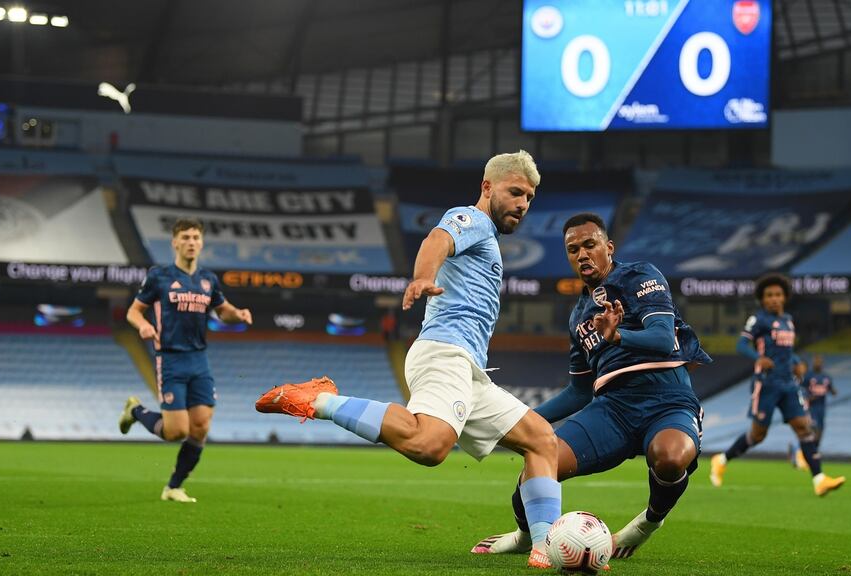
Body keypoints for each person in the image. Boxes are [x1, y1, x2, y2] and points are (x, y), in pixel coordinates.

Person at [254, 151, 561, 568]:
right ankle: (318, 400)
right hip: (444, 352)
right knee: (430, 445)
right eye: (515, 192)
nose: (523, 204)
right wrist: (422, 277)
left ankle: (546, 547)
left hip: (469, 369)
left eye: (529, 197)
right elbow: (437, 240)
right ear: (488, 187)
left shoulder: (488, 236)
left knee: (542, 441)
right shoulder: (473, 220)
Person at [471, 212, 711, 560]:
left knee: (670, 458)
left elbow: (661, 339)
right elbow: (580, 392)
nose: (582, 254)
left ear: (608, 247)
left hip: (667, 399)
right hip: (612, 409)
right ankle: (525, 535)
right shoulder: (578, 316)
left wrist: (618, 336)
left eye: (589, 245)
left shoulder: (639, 275)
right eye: (573, 249)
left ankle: (646, 523)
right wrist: (520, 420)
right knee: (541, 459)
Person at [118, 218, 253, 503]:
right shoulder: (159, 276)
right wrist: (142, 325)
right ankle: (136, 411)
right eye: (186, 237)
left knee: (201, 426)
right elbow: (133, 311)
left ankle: (173, 487)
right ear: (175, 242)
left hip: (199, 359)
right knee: (176, 431)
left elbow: (222, 310)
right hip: (170, 359)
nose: (191, 242)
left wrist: (237, 314)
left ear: (201, 243)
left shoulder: (208, 279)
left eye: (196, 237)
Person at [709, 274, 845, 497]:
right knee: (758, 435)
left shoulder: (788, 321)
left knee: (804, 427)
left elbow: (786, 353)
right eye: (769, 295)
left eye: (778, 294)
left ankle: (819, 480)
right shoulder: (759, 320)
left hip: (789, 385)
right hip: (767, 384)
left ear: (785, 297)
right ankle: (721, 459)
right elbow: (741, 344)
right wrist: (757, 358)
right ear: (762, 299)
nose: (774, 298)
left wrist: (797, 363)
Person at [790, 354, 837, 470]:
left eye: (820, 361)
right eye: (816, 361)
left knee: (819, 436)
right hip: (811, 409)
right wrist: (809, 398)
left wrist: (833, 391)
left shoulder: (826, 377)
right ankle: (801, 456)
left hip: (822, 409)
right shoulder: (808, 377)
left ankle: (802, 453)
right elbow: (800, 389)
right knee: (812, 433)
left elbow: (831, 389)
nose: (818, 363)